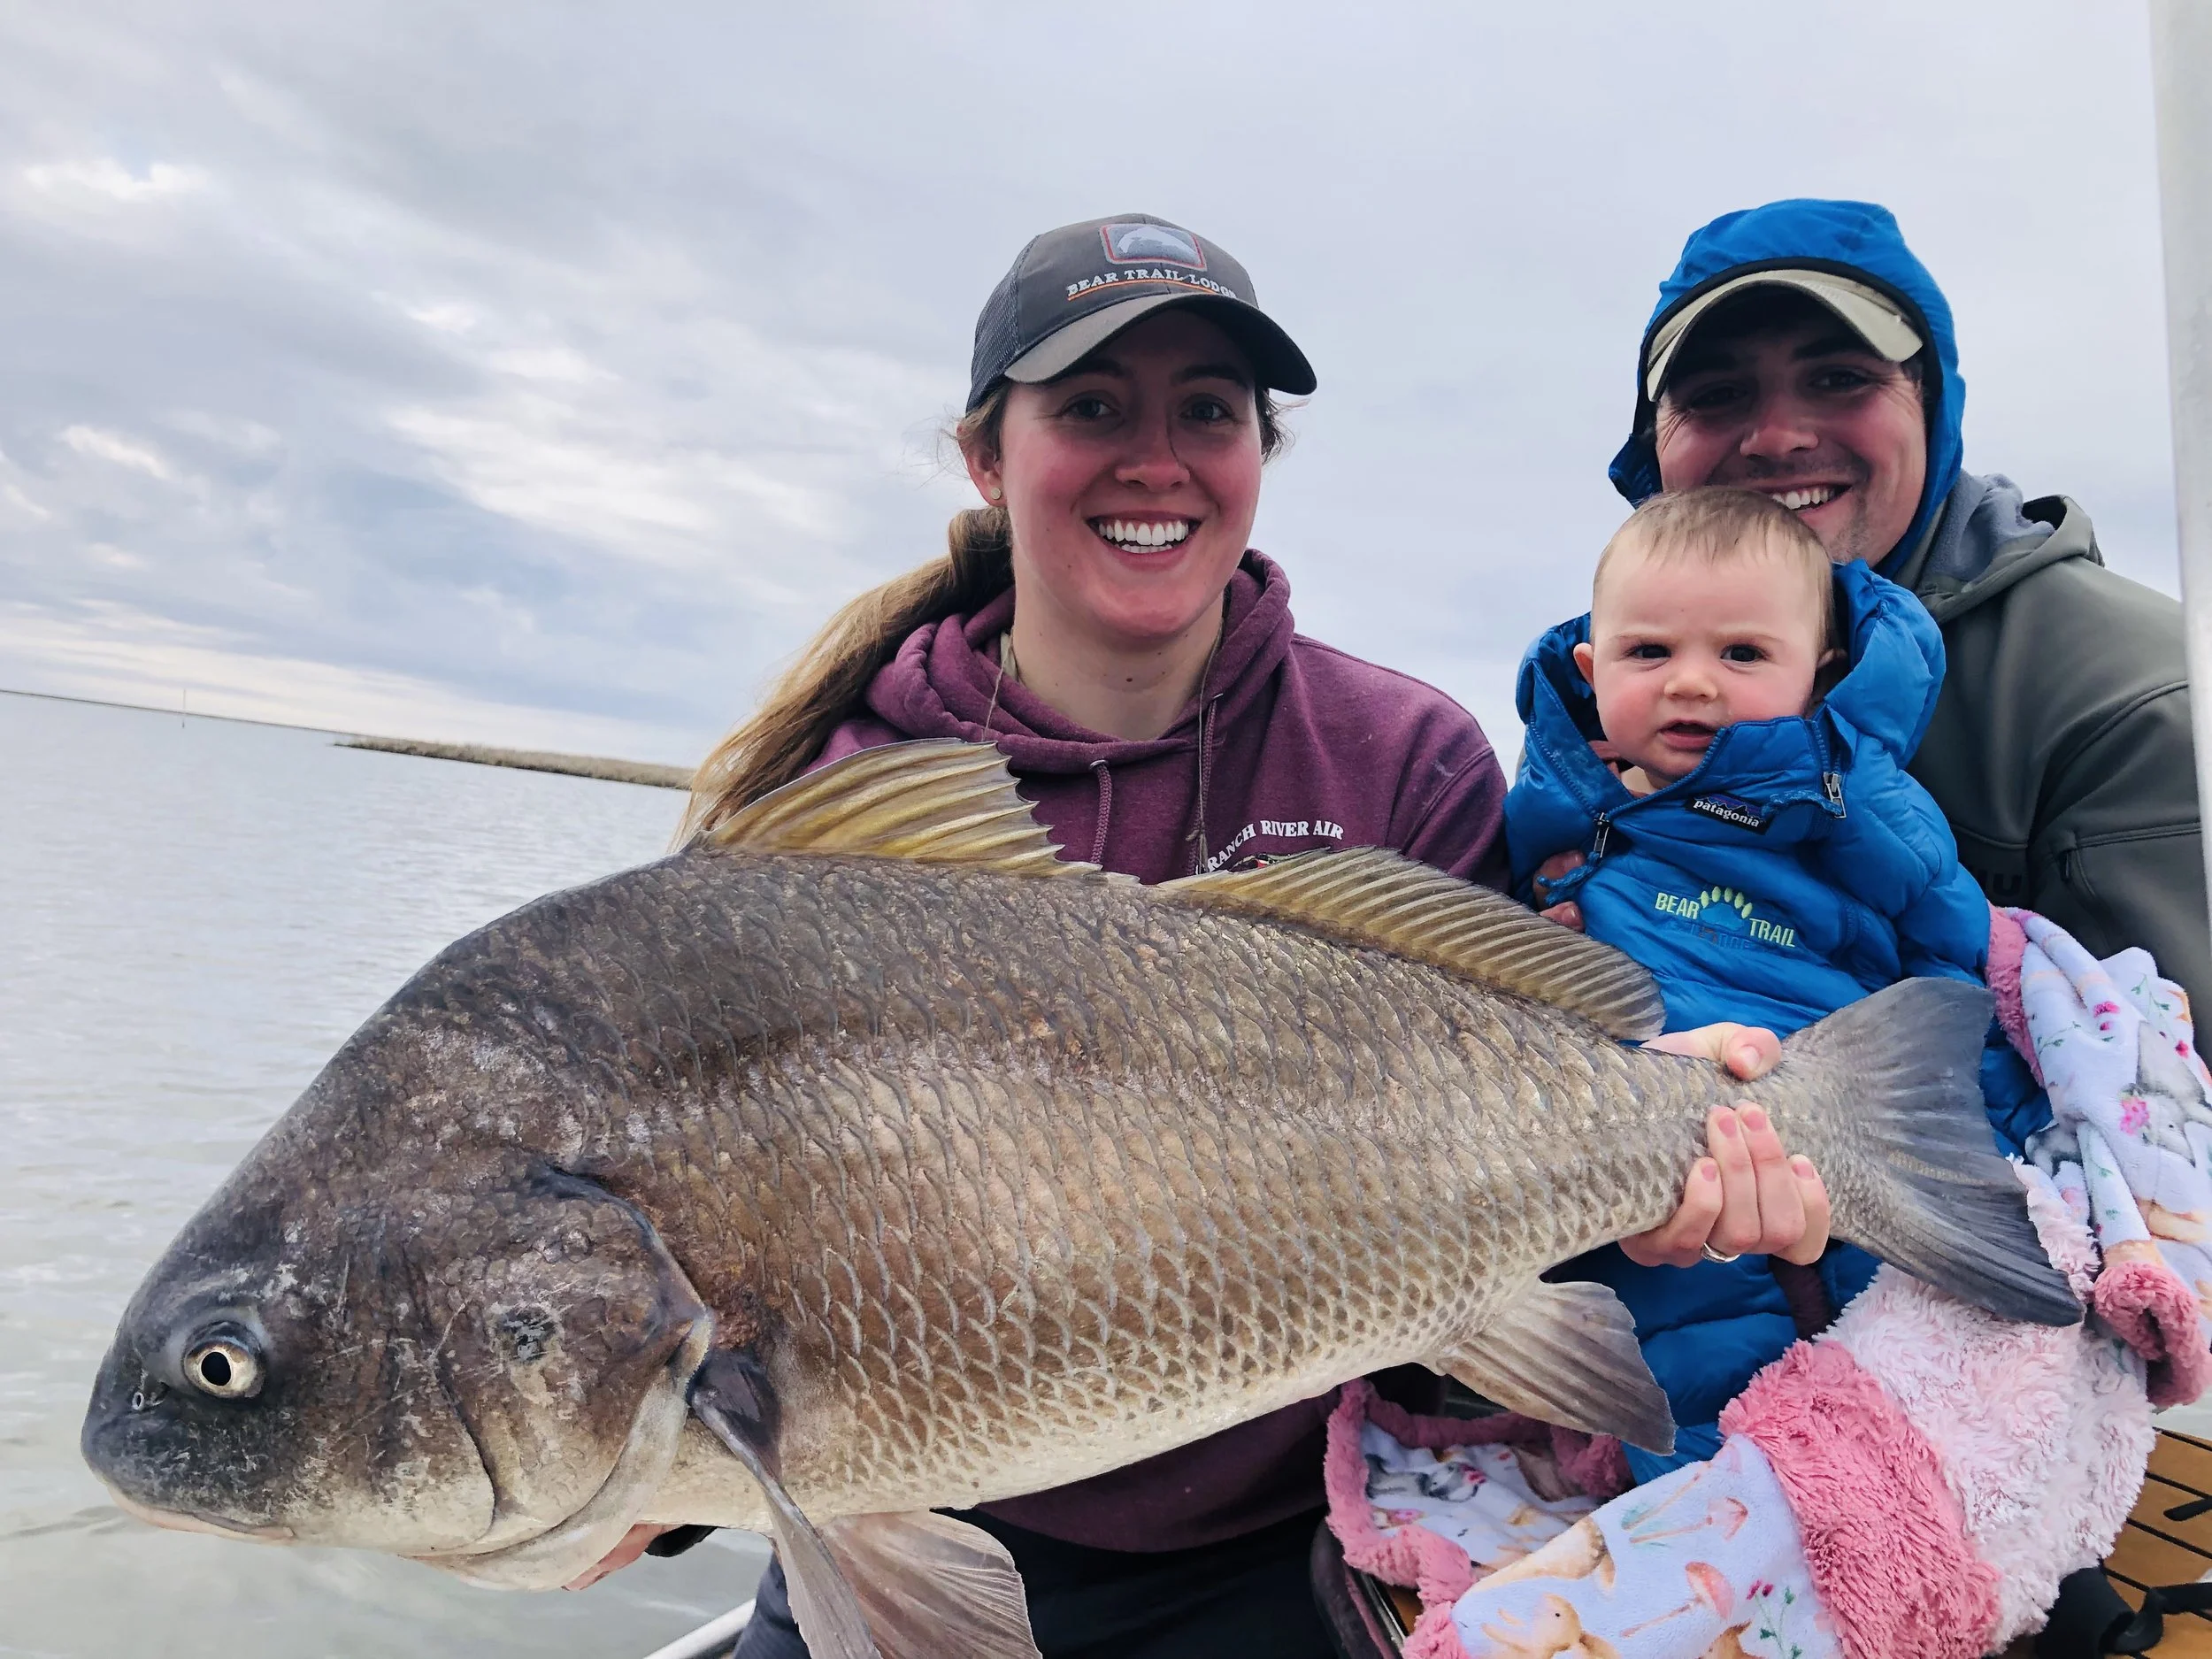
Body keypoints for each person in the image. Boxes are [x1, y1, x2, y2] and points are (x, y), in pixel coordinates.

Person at [578, 212, 1809, 1659]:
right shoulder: (832, 806)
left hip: (1275, 1552)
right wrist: (632, 1462)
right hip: (886, 1525)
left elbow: (1524, 1079)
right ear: (986, 455)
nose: (1154, 458)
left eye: (1208, 412)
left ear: (1258, 455)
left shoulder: (1397, 754)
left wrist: (1667, 1149)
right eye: (1092, 408)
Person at [1506, 485, 2044, 1480]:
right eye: (1648, 654)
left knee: (1888, 1390)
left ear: (1817, 674)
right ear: (1591, 670)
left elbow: (1959, 986)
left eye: (1742, 655)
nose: (1692, 685)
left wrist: (2001, 1163)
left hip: (1840, 1177)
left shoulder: (1854, 801)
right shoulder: (1551, 824)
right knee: (1686, 1393)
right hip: (1651, 1198)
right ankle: (1716, 1563)